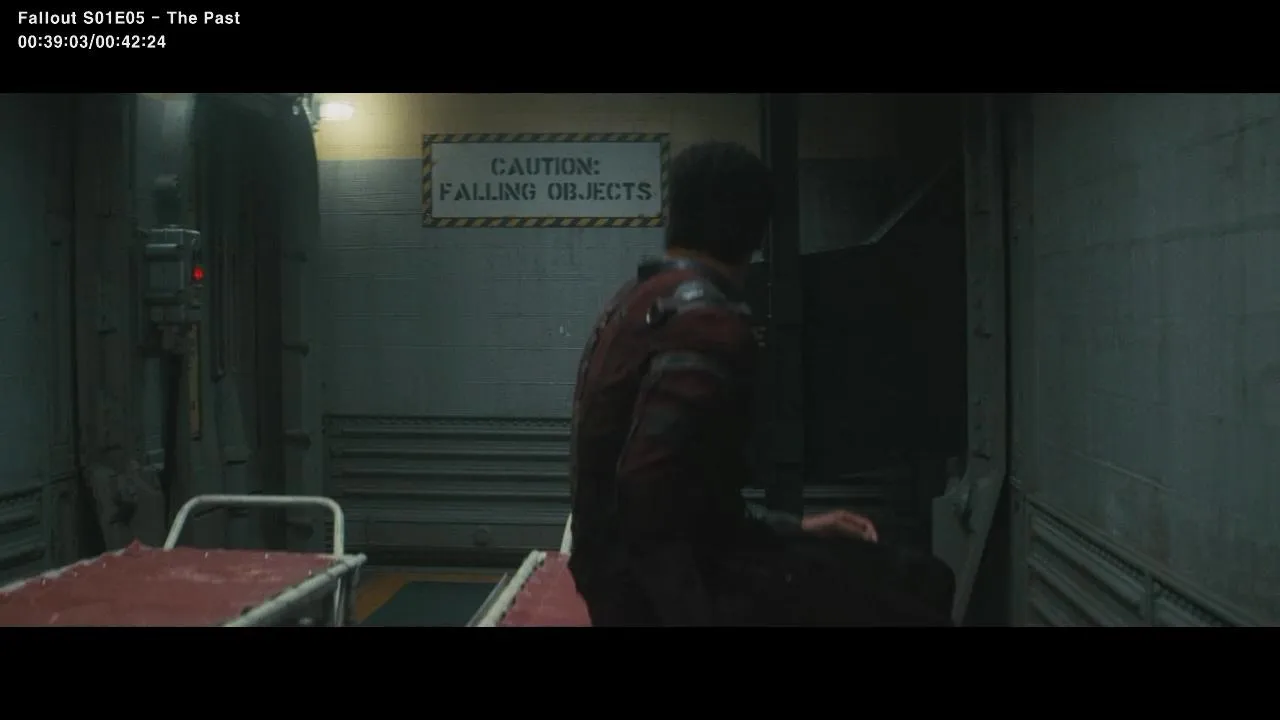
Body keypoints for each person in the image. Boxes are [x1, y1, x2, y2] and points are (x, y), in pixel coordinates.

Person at [567, 140, 955, 626]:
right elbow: (646, 501)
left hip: (627, 581)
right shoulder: (707, 322)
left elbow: (682, 501)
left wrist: (792, 530)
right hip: (657, 597)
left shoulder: (635, 301)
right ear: (755, 230)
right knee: (920, 591)